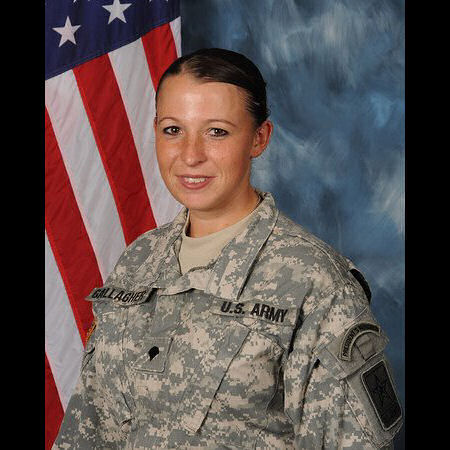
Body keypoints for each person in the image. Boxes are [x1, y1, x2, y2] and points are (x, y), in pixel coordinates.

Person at [53, 48, 403, 449]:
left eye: (216, 131)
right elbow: (88, 429)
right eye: (173, 129)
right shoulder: (139, 260)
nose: (190, 155)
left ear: (259, 138)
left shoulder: (314, 280)